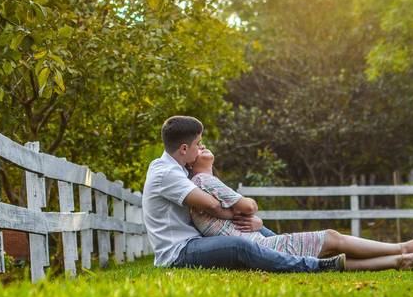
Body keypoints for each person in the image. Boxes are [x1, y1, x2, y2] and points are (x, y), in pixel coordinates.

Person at [142, 115, 341, 273]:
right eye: (198, 143)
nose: (201, 147)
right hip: (178, 252)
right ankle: (312, 265)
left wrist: (256, 222)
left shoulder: (180, 169)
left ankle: (297, 252)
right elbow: (211, 205)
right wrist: (240, 214)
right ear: (184, 148)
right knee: (239, 246)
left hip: (195, 240)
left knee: (256, 233)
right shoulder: (166, 172)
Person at [188, 147, 413, 272]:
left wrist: (255, 221)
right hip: (261, 247)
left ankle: (400, 259)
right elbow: (249, 205)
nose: (204, 148)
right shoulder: (203, 181)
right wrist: (249, 214)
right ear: (190, 160)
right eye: (199, 147)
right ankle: (402, 250)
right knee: (332, 238)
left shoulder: (204, 183)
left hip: (258, 243)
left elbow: (240, 215)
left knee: (330, 248)